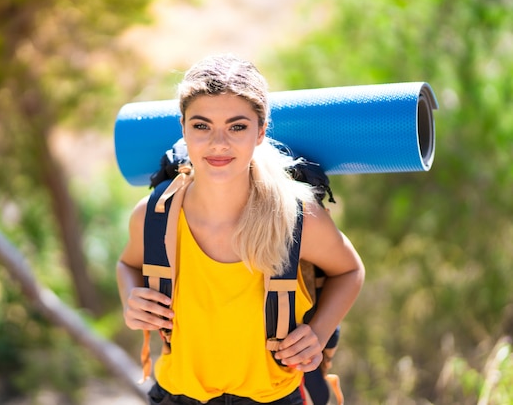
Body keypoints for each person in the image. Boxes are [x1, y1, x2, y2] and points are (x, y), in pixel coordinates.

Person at [116, 53, 365, 405]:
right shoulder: (155, 216)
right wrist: (130, 296)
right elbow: (127, 265)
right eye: (201, 126)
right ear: (183, 128)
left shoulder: (295, 216)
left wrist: (318, 333)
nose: (219, 143)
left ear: (261, 131)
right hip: (174, 395)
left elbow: (350, 270)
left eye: (237, 126)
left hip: (273, 397)